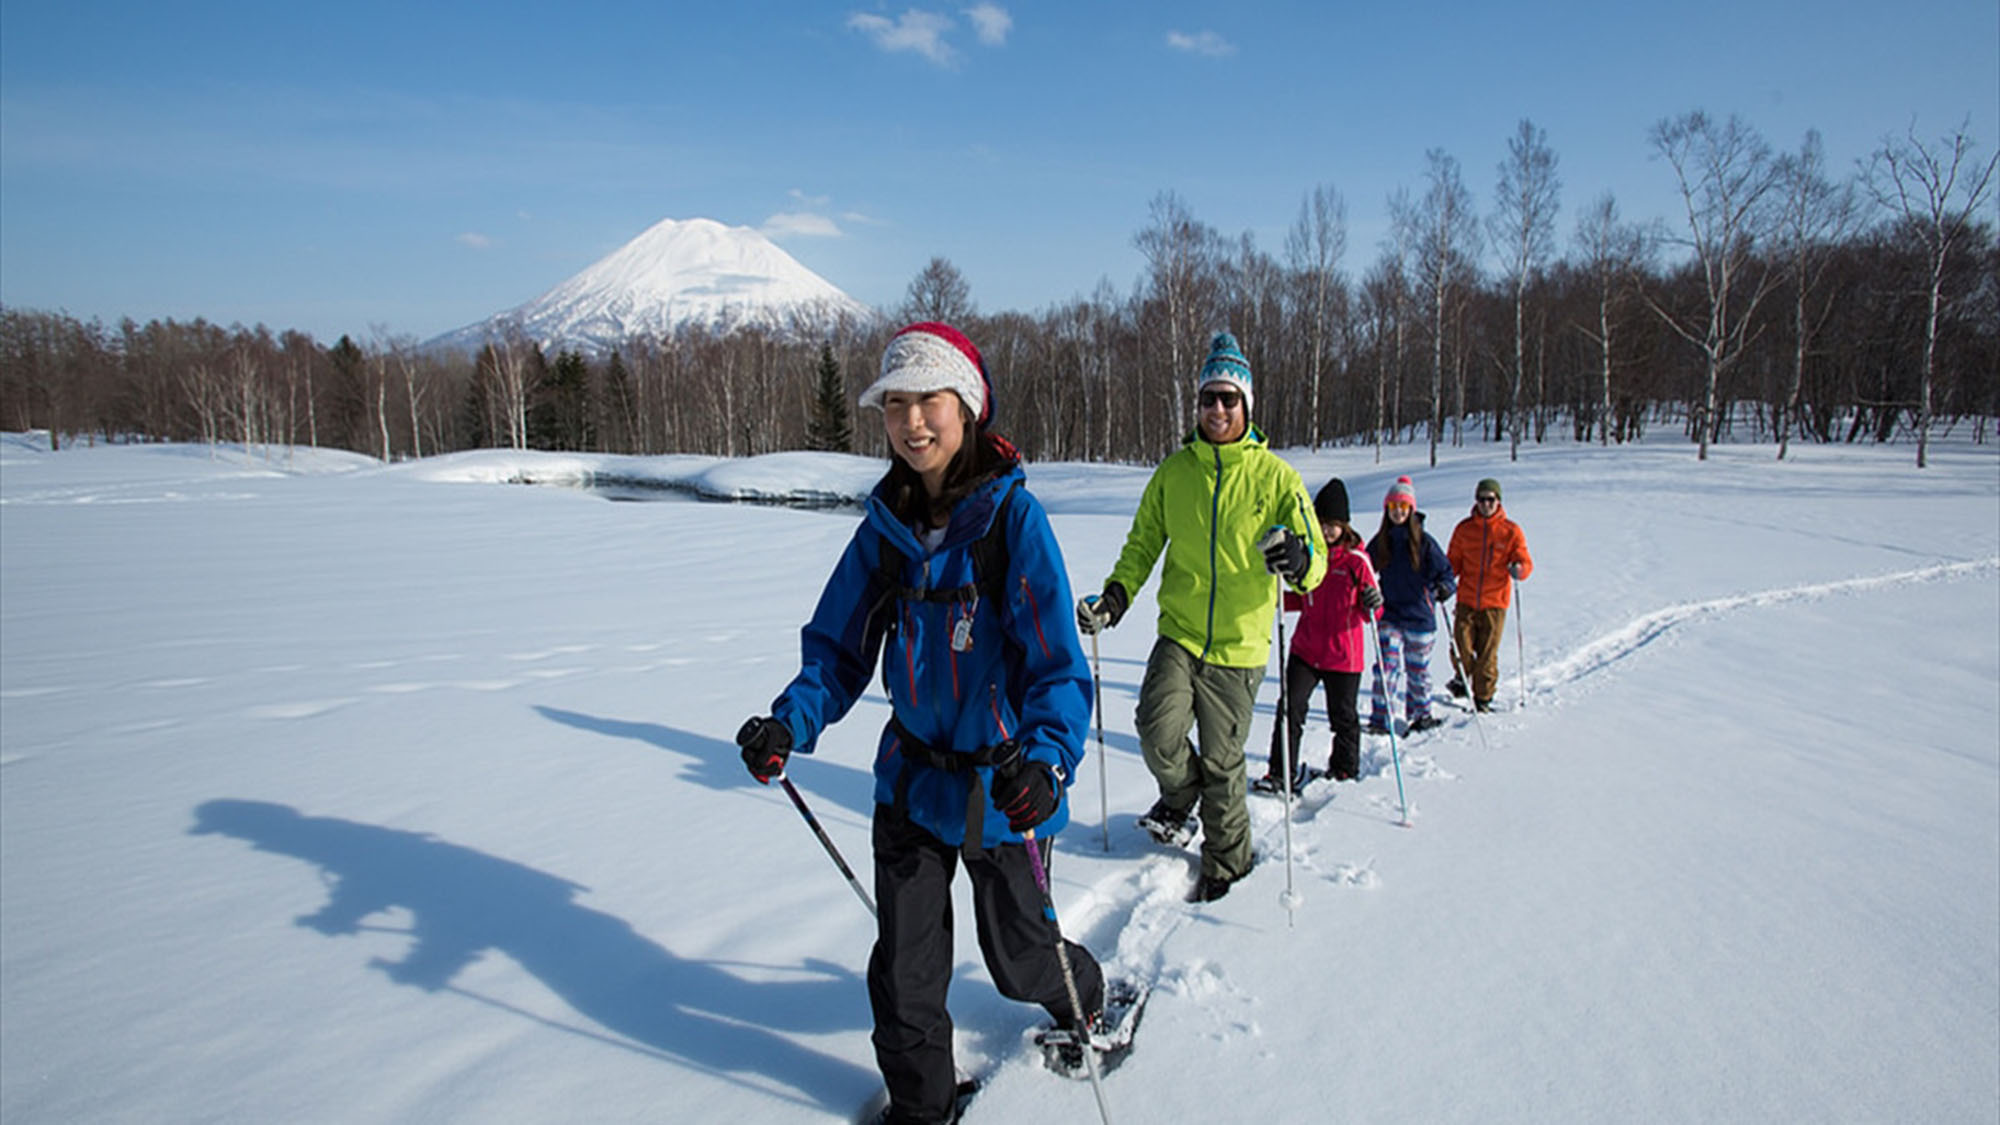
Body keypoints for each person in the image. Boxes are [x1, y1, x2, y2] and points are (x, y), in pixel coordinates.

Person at [734, 322, 1103, 1125]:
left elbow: (1056, 668)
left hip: (1004, 788)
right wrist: (789, 725)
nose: (912, 422)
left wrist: (1047, 762)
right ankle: (924, 1108)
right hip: (909, 784)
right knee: (905, 973)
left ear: (966, 406)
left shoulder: (1013, 522)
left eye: (928, 400)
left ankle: (1088, 999)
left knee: (1018, 960)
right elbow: (836, 650)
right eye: (894, 404)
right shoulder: (885, 532)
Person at [1075, 331, 1326, 903]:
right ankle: (1181, 794)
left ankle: (1227, 864)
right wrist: (1116, 597)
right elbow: (1142, 545)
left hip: (1240, 645)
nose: (1217, 409)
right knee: (1155, 730)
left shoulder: (1276, 479)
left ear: (1246, 407)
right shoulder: (1174, 472)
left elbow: (1315, 563)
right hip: (1180, 634)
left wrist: (1301, 559)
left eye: (1228, 399)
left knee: (1223, 760)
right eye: (1209, 398)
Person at [1254, 477, 1381, 794]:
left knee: (1344, 718)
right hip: (1306, 649)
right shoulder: (1311, 557)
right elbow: (1302, 595)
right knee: (1290, 709)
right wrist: (1276, 598)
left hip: (1343, 656)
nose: (1326, 531)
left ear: (1344, 526)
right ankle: (1281, 772)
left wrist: (1372, 603)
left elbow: (1373, 613)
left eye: (1333, 525)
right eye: (1320, 523)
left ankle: (1344, 770)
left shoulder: (1356, 561)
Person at [1364, 476, 1456, 735]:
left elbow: (1446, 573)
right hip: (1390, 614)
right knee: (1386, 668)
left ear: (1411, 509)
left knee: (1418, 671)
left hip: (1419, 616)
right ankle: (1380, 719)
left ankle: (1420, 714)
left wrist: (1444, 589)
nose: (1398, 513)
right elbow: (1364, 568)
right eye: (1393, 508)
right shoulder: (1382, 541)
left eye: (1403, 507)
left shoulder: (1425, 543)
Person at [1446, 476, 1534, 712]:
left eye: (1490, 500)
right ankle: (1462, 678)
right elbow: (1452, 561)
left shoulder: (1510, 531)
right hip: (1466, 598)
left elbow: (1525, 561)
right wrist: (1443, 581)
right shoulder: (1464, 529)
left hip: (1495, 602)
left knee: (1487, 654)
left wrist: (1519, 569)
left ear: (1498, 501)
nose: (1485, 504)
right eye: (1481, 499)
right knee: (1461, 648)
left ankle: (1483, 698)